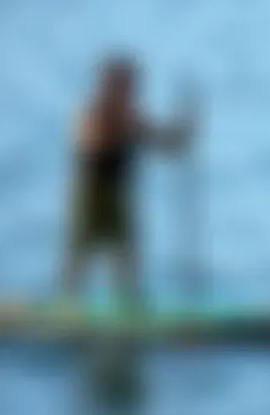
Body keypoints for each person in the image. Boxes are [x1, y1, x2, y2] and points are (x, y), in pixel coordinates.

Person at [62, 55, 194, 305]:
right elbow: (89, 140)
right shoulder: (92, 114)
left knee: (126, 266)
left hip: (117, 199)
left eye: (132, 87)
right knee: (78, 263)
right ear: (109, 87)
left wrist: (184, 133)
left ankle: (128, 309)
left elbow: (164, 142)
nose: (132, 93)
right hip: (91, 199)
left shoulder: (131, 119)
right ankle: (66, 310)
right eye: (126, 86)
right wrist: (124, 127)